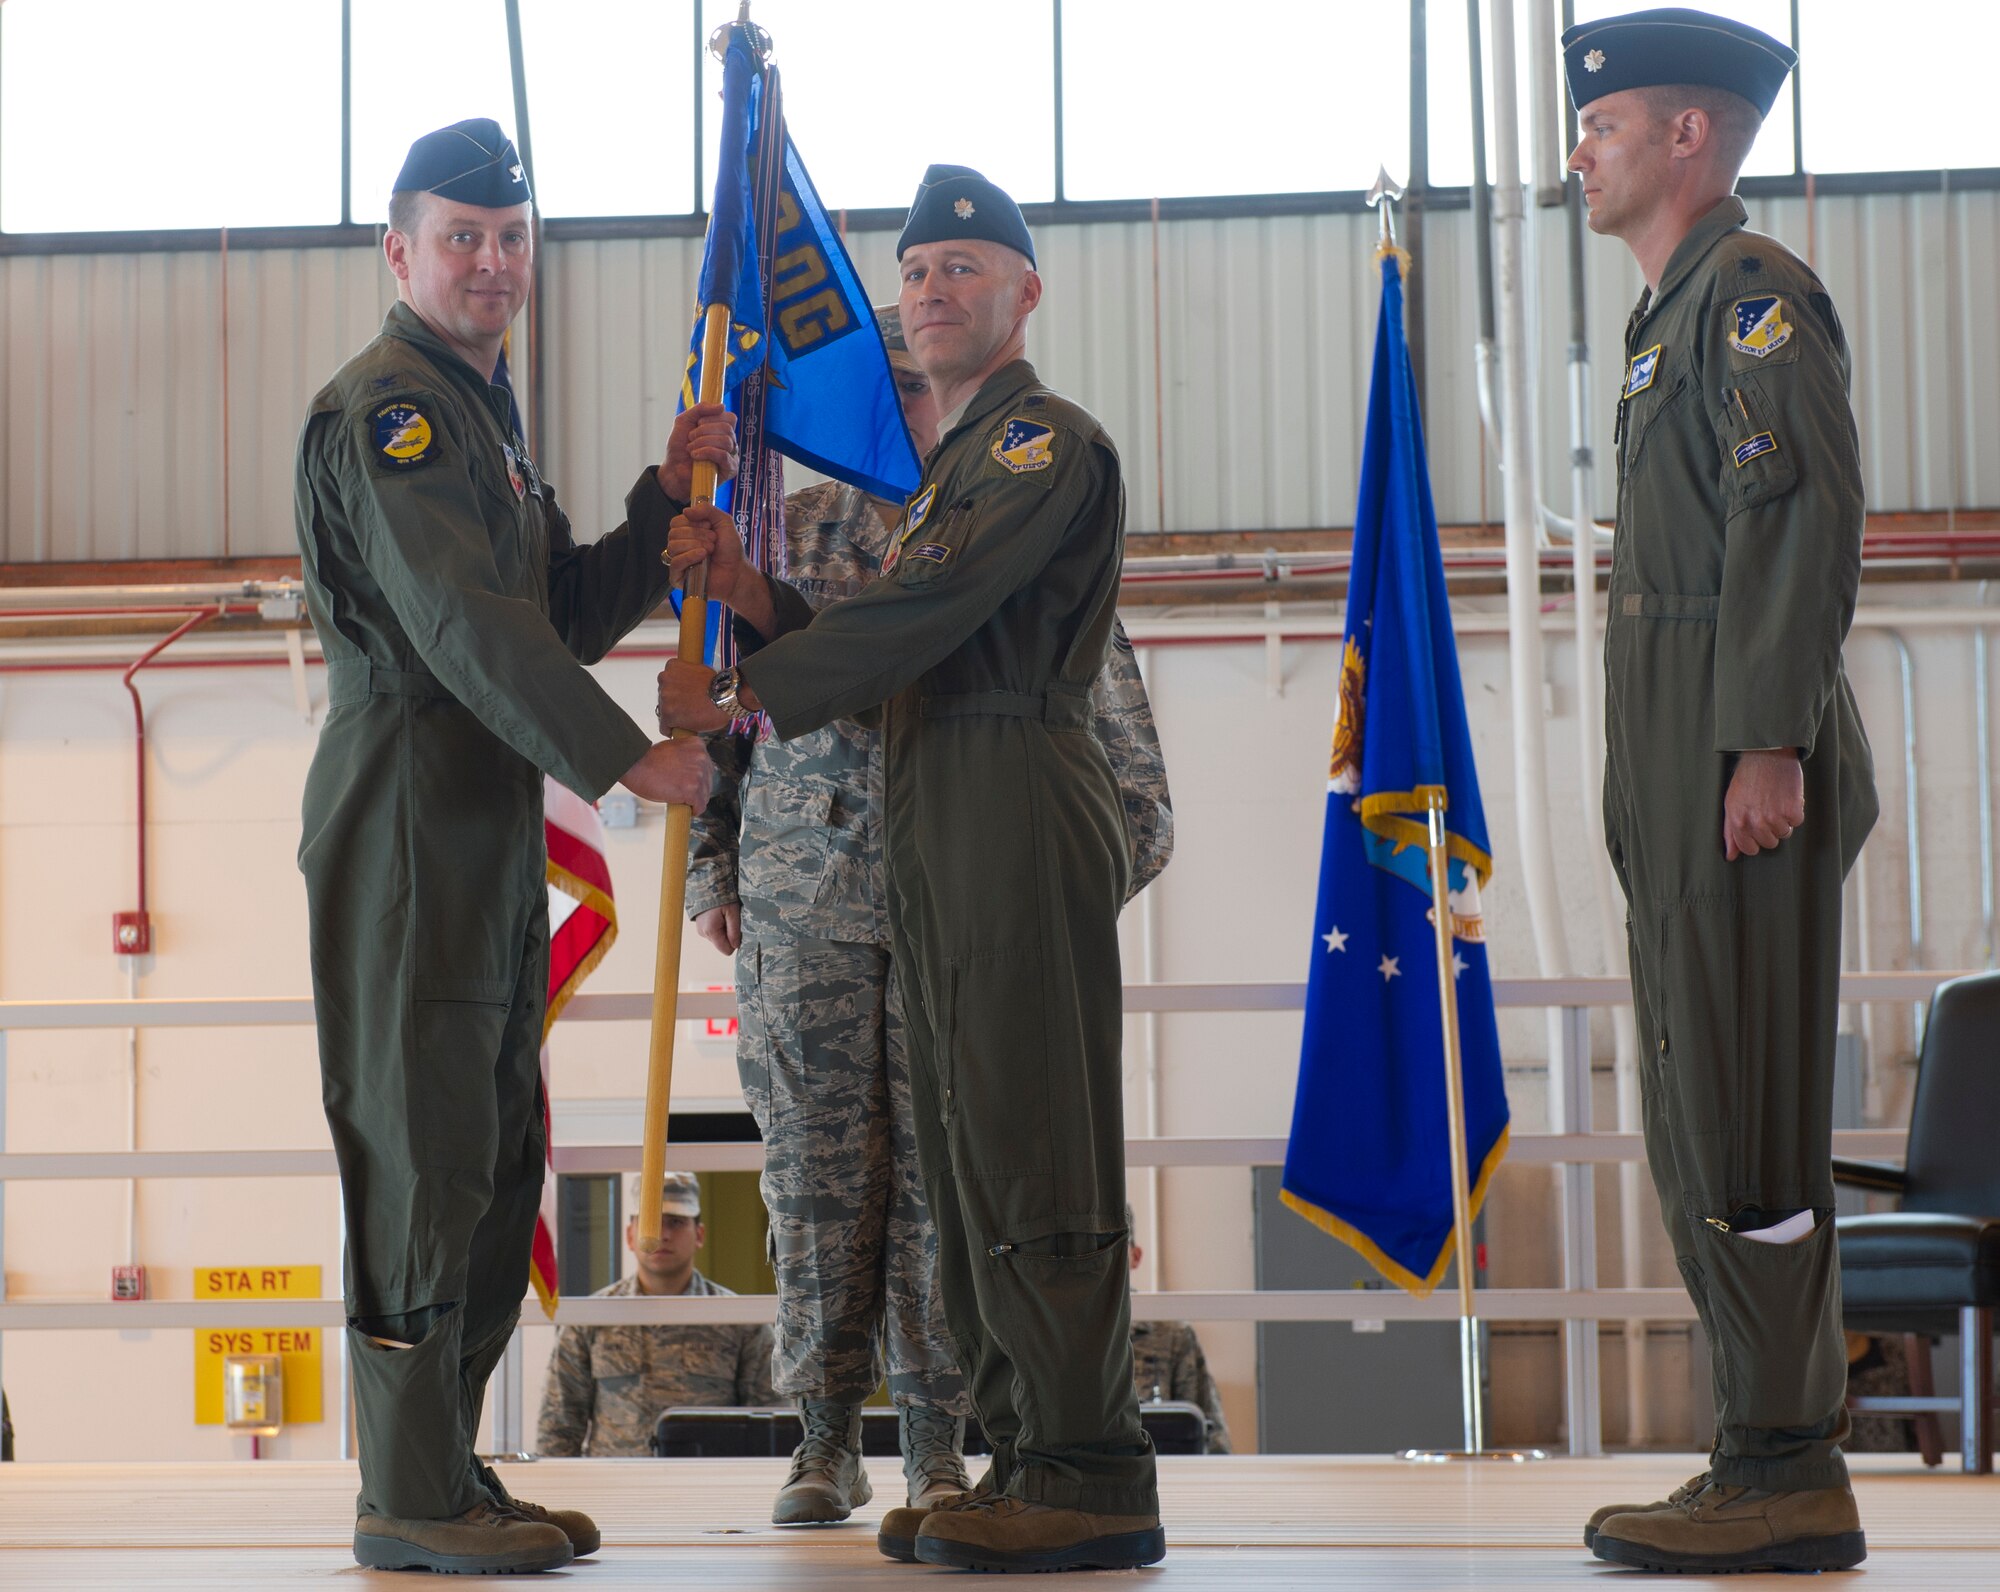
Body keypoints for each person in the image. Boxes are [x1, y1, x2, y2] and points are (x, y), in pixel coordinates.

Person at [656, 165, 1167, 1574]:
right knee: (970, 1159)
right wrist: (758, 633)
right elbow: (889, 622)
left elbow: (925, 614)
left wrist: (750, 692)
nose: (932, 295)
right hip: (943, 829)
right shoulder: (952, 469)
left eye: (963, 270)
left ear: (1024, 292)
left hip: (1007, 811)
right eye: (918, 273)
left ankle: (1086, 1470)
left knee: (1028, 1154)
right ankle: (1017, 1458)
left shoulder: (1030, 446)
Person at [293, 118, 731, 1576]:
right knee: (424, 1150)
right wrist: (622, 754)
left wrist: (655, 512)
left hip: (481, 812)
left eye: (510, 237)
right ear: (398, 250)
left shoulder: (483, 416)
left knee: (488, 1146)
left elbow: (547, 610)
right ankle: (404, 1494)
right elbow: (464, 626)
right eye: (460, 236)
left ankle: (448, 1474)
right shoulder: (394, 414)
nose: (490, 260)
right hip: (412, 799)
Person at [1563, 13, 1876, 1576]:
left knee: (1744, 1108)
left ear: (1691, 136)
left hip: (1738, 756)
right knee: (1701, 1105)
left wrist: (1766, 739)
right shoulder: (1667, 318)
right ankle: (1759, 1451)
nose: (1583, 147)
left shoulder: (1749, 299)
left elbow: (1801, 517)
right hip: (1684, 751)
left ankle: (1786, 1466)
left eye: (1606, 122)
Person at [536, 1172, 778, 1457]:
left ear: (699, 1234)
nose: (662, 1235)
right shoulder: (594, 1318)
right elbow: (558, 1428)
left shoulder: (739, 1320)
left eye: (676, 1223)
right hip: (612, 1491)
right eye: (651, 1223)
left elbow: (771, 1428)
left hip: (709, 1490)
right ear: (629, 1234)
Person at [1123, 1209, 1229, 1454]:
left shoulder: (1171, 1335)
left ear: (1135, 1256)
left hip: (1165, 1483)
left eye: (1115, 1246)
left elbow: (1212, 1439)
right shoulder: (1058, 1333)